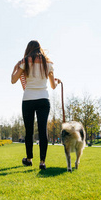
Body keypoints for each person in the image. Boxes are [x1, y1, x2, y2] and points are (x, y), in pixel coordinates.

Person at [11, 40, 60, 170]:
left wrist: (15, 68)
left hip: (28, 99)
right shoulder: (48, 63)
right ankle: (42, 162)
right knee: (43, 130)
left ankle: (29, 159)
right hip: (43, 99)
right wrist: (57, 81)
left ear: (28, 49)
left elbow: (13, 80)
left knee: (29, 131)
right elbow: (53, 86)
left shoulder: (25, 62)